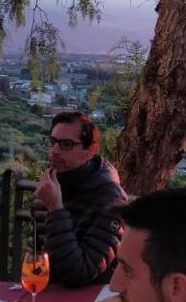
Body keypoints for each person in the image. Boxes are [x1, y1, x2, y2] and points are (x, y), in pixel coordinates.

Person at [30, 110, 127, 287]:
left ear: (90, 150)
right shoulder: (50, 188)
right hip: (46, 299)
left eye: (66, 144)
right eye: (52, 142)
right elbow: (39, 262)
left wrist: (56, 209)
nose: (55, 151)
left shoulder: (112, 200)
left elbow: (81, 274)